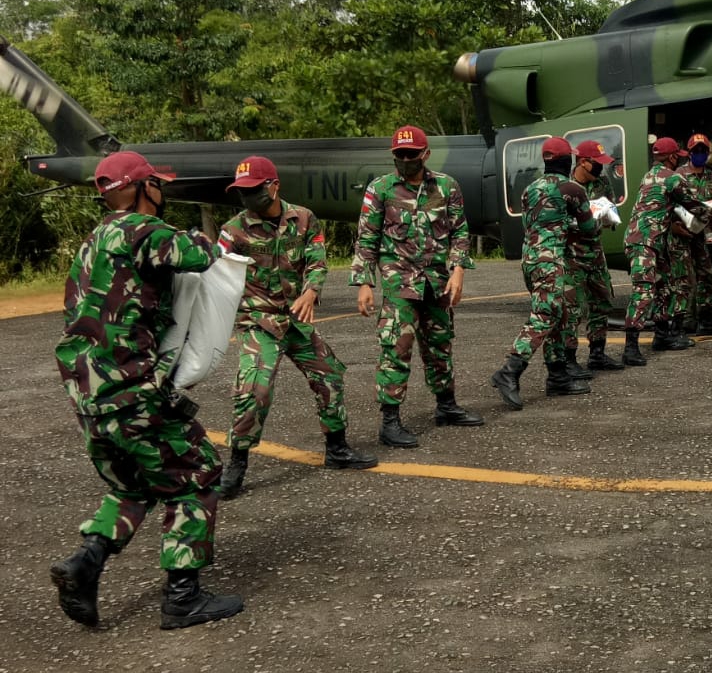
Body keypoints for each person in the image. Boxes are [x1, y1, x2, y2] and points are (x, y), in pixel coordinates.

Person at [51, 150, 243, 630]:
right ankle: (183, 598)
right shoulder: (143, 230)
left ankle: (85, 563)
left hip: (88, 392)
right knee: (197, 471)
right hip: (131, 388)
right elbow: (200, 255)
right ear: (142, 187)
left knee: (133, 483)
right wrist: (199, 235)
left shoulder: (92, 242)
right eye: (156, 184)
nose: (161, 191)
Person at [217, 156, 377, 499]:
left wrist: (310, 292)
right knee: (254, 390)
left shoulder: (304, 219)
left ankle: (337, 449)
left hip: (295, 320)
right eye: (241, 192)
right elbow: (216, 276)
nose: (247, 198)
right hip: (259, 322)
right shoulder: (233, 230)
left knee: (330, 375)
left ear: (273, 187)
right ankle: (236, 465)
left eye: (253, 190)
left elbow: (317, 262)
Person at [351, 125, 483, 449]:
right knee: (397, 346)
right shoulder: (380, 189)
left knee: (440, 344)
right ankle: (390, 421)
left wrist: (458, 271)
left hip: (437, 280)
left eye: (411, 154)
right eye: (400, 154)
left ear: (425, 154)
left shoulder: (446, 186)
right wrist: (365, 283)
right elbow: (367, 237)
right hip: (399, 279)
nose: (406, 159)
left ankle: (446, 406)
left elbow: (460, 232)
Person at [491, 136, 597, 409]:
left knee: (558, 315)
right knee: (547, 313)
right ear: (568, 161)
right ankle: (510, 370)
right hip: (550, 260)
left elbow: (539, 223)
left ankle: (558, 376)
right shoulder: (572, 188)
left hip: (531, 260)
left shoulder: (530, 189)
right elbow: (588, 229)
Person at [621, 137, 712, 365]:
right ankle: (630, 347)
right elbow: (693, 204)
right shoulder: (672, 178)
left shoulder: (649, 175)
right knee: (644, 291)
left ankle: (663, 336)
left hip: (656, 241)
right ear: (672, 157)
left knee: (665, 287)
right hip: (644, 241)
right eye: (679, 156)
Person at [566, 139, 625, 372]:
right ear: (583, 162)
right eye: (597, 163)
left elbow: (611, 205)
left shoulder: (601, 182)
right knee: (573, 308)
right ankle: (569, 360)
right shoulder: (566, 187)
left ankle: (597, 354)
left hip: (595, 251)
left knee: (602, 301)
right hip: (572, 254)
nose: (601, 168)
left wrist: (608, 215)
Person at [673, 132, 712, 334]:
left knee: (706, 274)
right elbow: (672, 204)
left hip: (701, 234)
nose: (700, 154)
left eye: (704, 150)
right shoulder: (679, 175)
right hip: (681, 234)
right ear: (689, 153)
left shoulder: (709, 175)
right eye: (696, 151)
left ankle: (706, 319)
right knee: (685, 279)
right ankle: (686, 323)